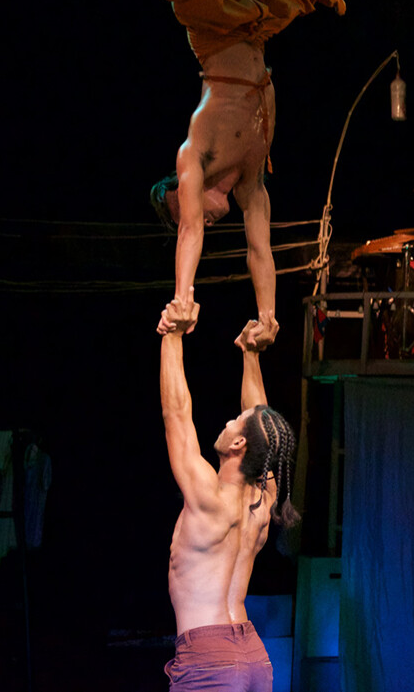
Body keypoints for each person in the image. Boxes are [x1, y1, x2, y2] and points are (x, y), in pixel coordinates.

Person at [52, 0, 379, 344]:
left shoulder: (194, 155)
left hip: (212, 25)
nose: (202, 218)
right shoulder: (250, 183)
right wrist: (268, 316)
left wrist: (183, 298)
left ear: (183, 188)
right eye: (200, 216)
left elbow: (187, 233)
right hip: (253, 26)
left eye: (190, 207)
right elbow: (259, 250)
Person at [156, 295, 301, 691]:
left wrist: (173, 335)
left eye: (235, 421)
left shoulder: (208, 495)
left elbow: (176, 414)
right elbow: (261, 425)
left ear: (239, 444)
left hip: (209, 659)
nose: (227, 421)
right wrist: (250, 355)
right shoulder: (261, 502)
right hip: (254, 657)